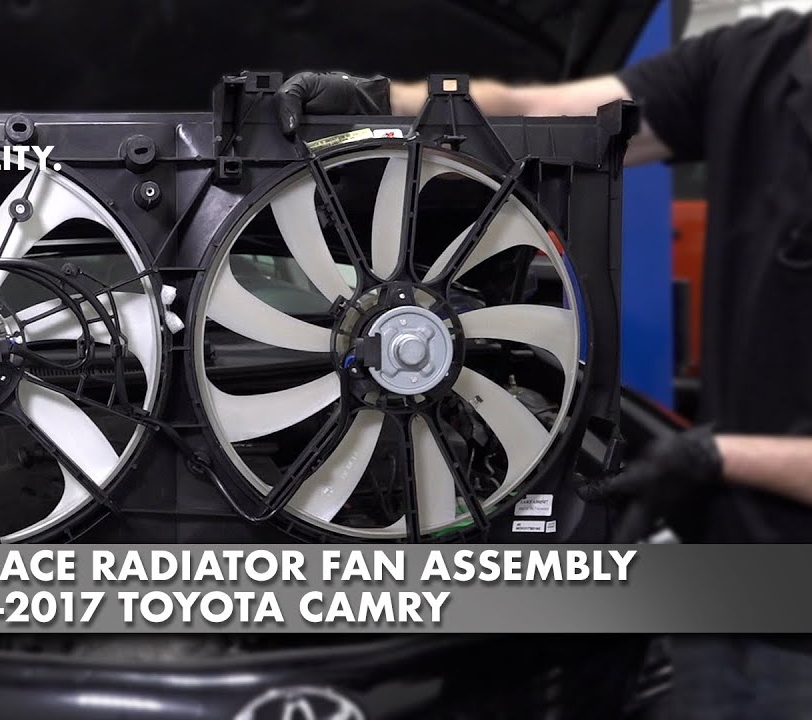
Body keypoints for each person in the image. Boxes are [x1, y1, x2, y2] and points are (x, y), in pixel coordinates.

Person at [277, 10, 812, 719]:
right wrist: (376, 99)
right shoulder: (756, 59)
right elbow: (538, 113)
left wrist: (720, 458)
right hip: (724, 572)